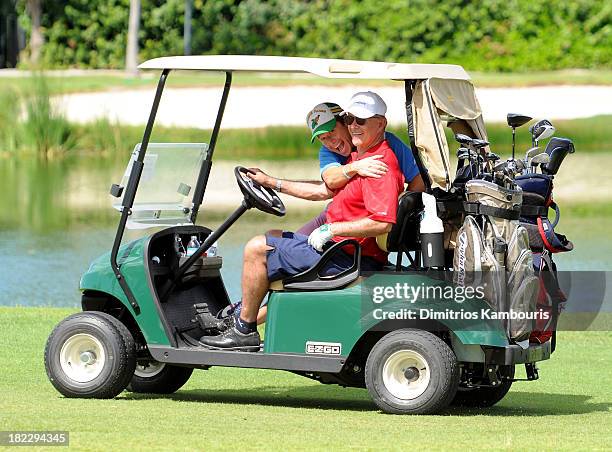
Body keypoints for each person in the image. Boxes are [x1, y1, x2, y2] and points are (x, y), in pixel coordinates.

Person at [200, 91, 405, 351]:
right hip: (343, 247)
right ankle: (243, 315)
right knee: (275, 238)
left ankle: (243, 329)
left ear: (381, 123)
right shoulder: (360, 156)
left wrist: (332, 229)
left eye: (361, 121)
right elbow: (325, 188)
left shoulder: (378, 164)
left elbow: (382, 222)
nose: (354, 125)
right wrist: (271, 183)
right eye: (352, 118)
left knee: (256, 248)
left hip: (347, 255)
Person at [250, 98, 425, 235]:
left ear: (345, 123)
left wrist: (397, 210)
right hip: (337, 214)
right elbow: (329, 184)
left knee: (264, 248)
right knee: (276, 240)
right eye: (322, 138)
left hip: (362, 220)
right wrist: (270, 182)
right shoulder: (328, 152)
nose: (331, 142)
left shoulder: (386, 142)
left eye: (332, 132)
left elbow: (419, 178)